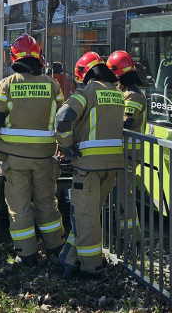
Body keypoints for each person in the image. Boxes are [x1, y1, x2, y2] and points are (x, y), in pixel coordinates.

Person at [0, 35, 66, 267]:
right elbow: (62, 120)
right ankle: (56, 249)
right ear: (39, 56)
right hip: (45, 157)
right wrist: (64, 146)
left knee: (19, 206)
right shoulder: (53, 84)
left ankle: (26, 255)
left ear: (13, 57)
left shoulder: (7, 84)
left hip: (14, 159)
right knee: (47, 202)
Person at [54, 52, 124, 278]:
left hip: (87, 166)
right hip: (112, 166)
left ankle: (90, 268)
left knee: (84, 217)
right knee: (89, 216)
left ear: (84, 73)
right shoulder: (117, 93)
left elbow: (63, 118)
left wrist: (66, 146)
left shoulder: (87, 92)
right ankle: (68, 260)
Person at [106, 50, 146, 239]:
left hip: (129, 151)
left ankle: (132, 236)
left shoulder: (132, 95)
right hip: (122, 150)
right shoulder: (124, 91)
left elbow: (126, 122)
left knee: (124, 194)